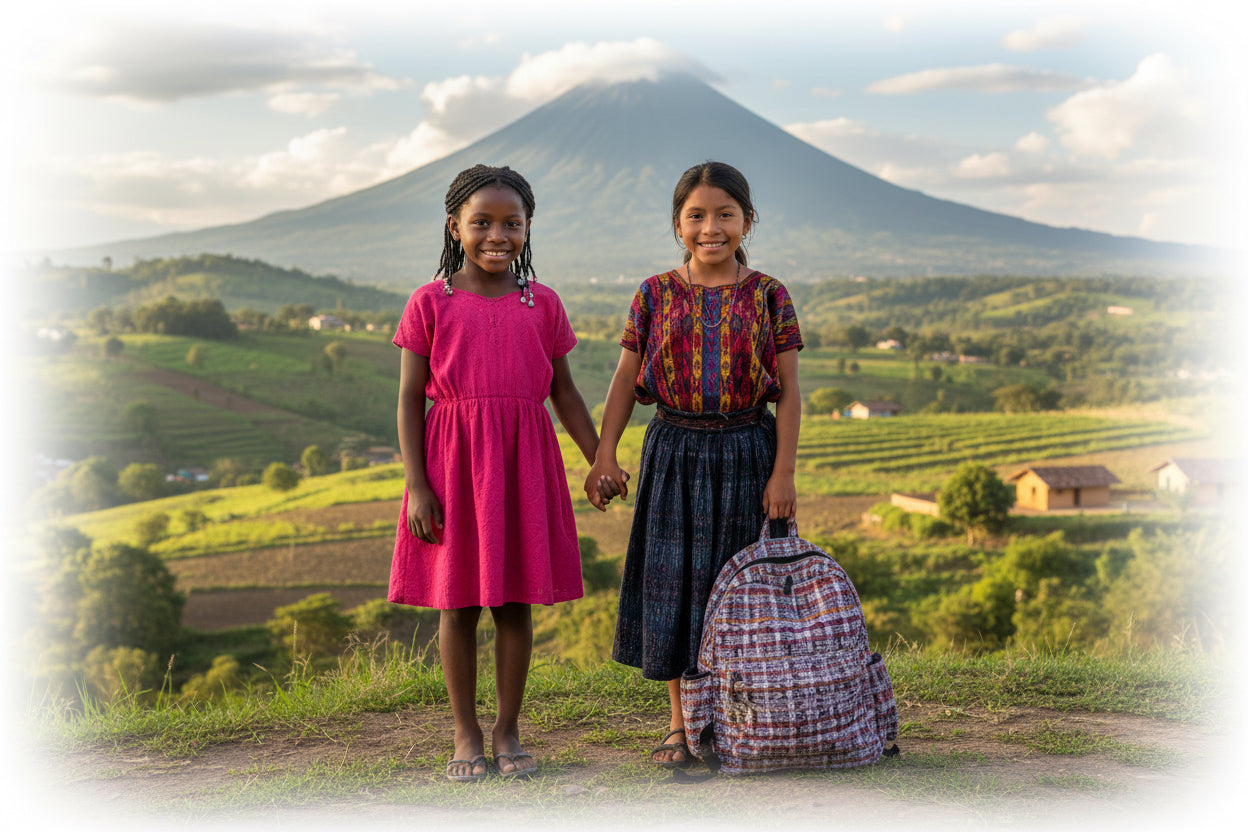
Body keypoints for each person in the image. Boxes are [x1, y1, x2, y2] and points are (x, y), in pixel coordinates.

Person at [585, 161, 803, 768]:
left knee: (747, 593)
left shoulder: (770, 295)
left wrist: (783, 472)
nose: (711, 228)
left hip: (748, 453)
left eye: (725, 214)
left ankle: (740, 724)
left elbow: (789, 391)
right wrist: (605, 454)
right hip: (673, 454)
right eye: (697, 216)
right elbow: (625, 378)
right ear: (678, 225)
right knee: (678, 590)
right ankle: (680, 727)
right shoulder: (653, 293)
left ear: (747, 221)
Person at [390, 164, 600, 782]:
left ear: (528, 228)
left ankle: (508, 729)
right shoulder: (430, 302)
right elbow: (409, 398)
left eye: (512, 223)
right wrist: (417, 486)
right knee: (456, 604)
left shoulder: (543, 303)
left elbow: (564, 392)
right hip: (452, 467)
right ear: (454, 226)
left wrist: (599, 459)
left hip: (523, 464)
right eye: (481, 222)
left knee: (514, 603)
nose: (497, 235)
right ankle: (466, 733)